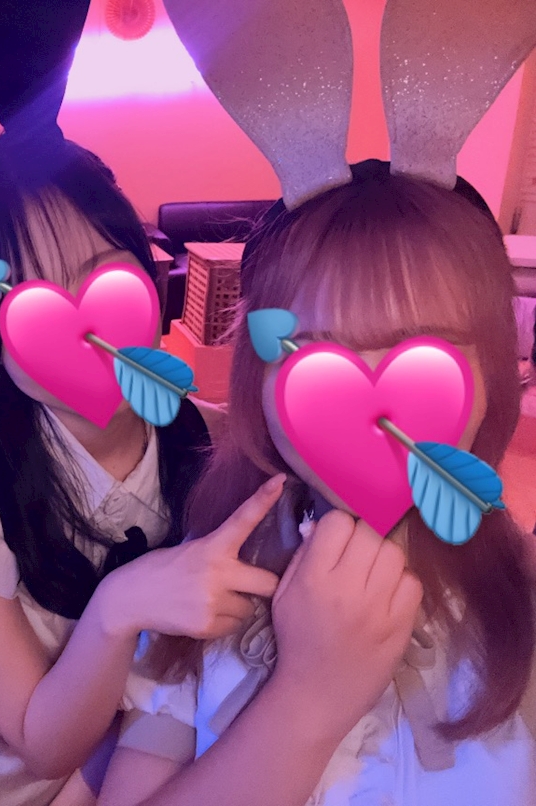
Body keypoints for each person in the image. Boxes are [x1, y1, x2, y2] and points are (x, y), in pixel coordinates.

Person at [0, 134, 287, 806]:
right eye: (32, 304)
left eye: (104, 278)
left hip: (117, 761)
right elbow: (43, 745)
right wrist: (119, 606)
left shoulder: (212, 439)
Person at [98, 163, 536, 806]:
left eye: (425, 352)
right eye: (314, 355)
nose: (370, 403)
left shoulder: (520, 592)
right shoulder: (201, 581)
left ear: (492, 375)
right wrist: (307, 701)